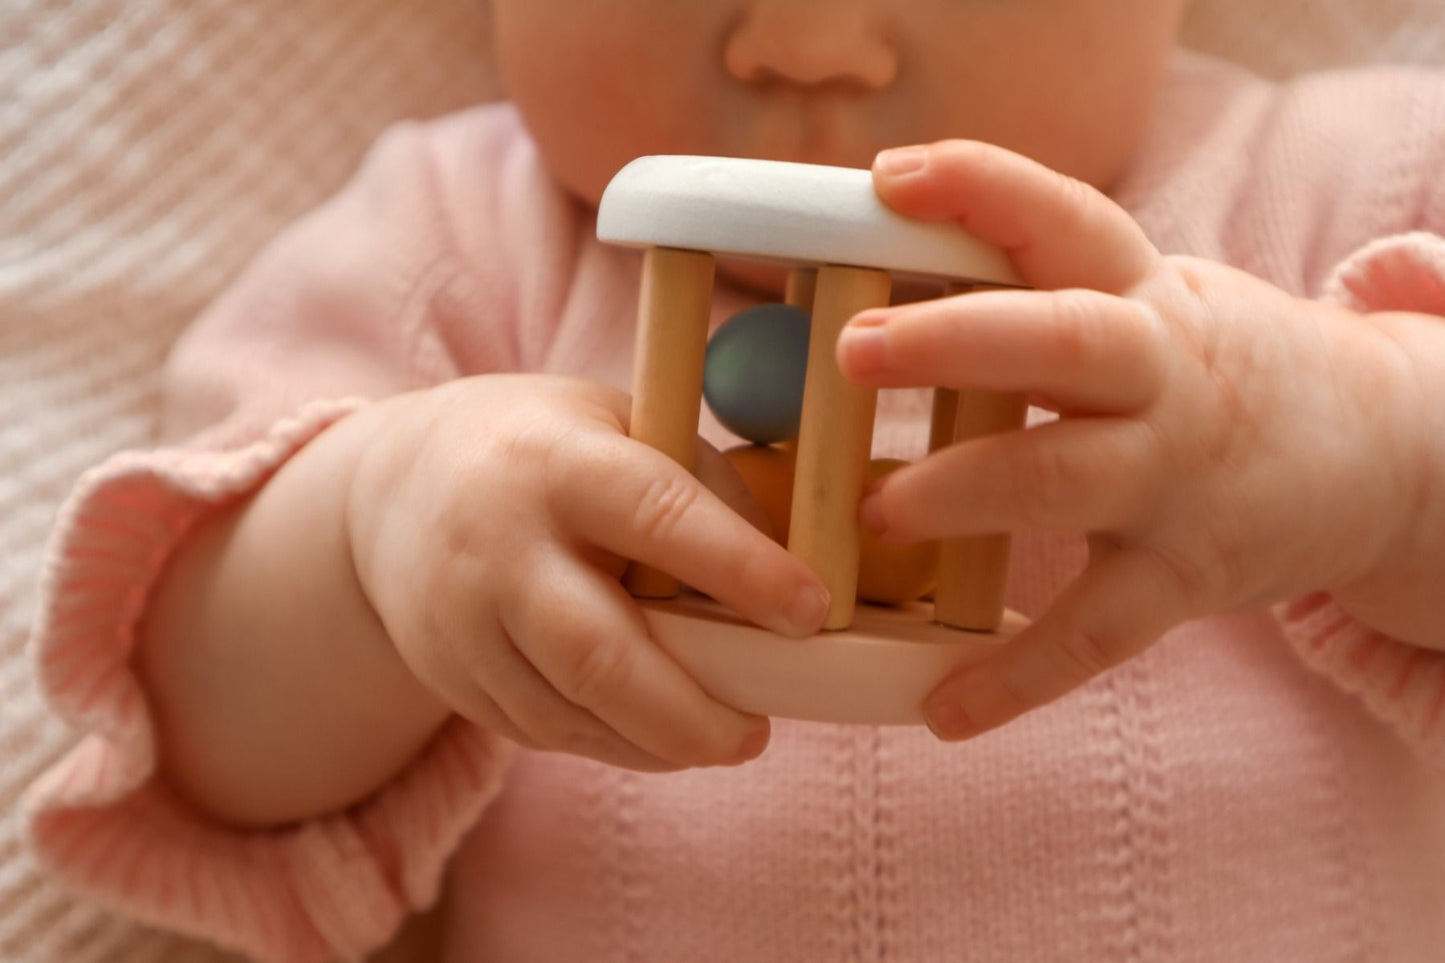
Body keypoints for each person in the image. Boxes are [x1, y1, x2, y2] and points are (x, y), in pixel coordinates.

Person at [23, 0, 1445, 960]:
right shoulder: (459, 246)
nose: (804, 43)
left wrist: (1370, 446)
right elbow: (204, 739)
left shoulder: (1336, 192)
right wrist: (374, 535)